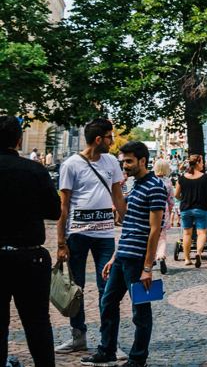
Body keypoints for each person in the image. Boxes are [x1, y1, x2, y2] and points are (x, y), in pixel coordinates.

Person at [81, 141, 167, 367]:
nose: (125, 166)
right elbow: (128, 222)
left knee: (140, 311)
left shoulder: (155, 187)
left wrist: (147, 267)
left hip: (138, 260)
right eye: (123, 162)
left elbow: (155, 230)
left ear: (142, 161)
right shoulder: (137, 185)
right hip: (123, 257)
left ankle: (138, 360)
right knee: (107, 302)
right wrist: (114, 256)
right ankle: (107, 350)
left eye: (128, 161)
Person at [54, 118, 126, 355]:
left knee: (109, 288)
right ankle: (78, 337)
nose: (112, 141)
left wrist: (130, 224)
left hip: (105, 235)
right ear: (99, 139)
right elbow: (63, 206)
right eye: (110, 137)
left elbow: (117, 196)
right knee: (76, 288)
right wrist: (61, 243)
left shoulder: (111, 161)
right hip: (77, 235)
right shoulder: (71, 165)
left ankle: (109, 344)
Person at [0, 116, 61, 367]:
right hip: (30, 255)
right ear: (19, 140)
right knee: (37, 321)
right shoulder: (35, 170)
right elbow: (54, 211)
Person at [175, 155, 207, 267]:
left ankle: (187, 259)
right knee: (201, 232)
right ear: (197, 163)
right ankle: (198, 253)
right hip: (201, 208)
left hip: (186, 208)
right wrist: (204, 201)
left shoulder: (182, 178)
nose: (203, 164)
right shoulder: (205, 178)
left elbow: (176, 194)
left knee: (187, 234)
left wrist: (184, 200)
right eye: (201, 162)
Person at [151, 159, 174, 275]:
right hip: (163, 211)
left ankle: (149, 259)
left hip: (150, 211)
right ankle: (161, 256)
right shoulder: (168, 182)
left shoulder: (151, 180)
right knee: (162, 237)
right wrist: (168, 212)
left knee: (149, 236)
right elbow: (171, 201)